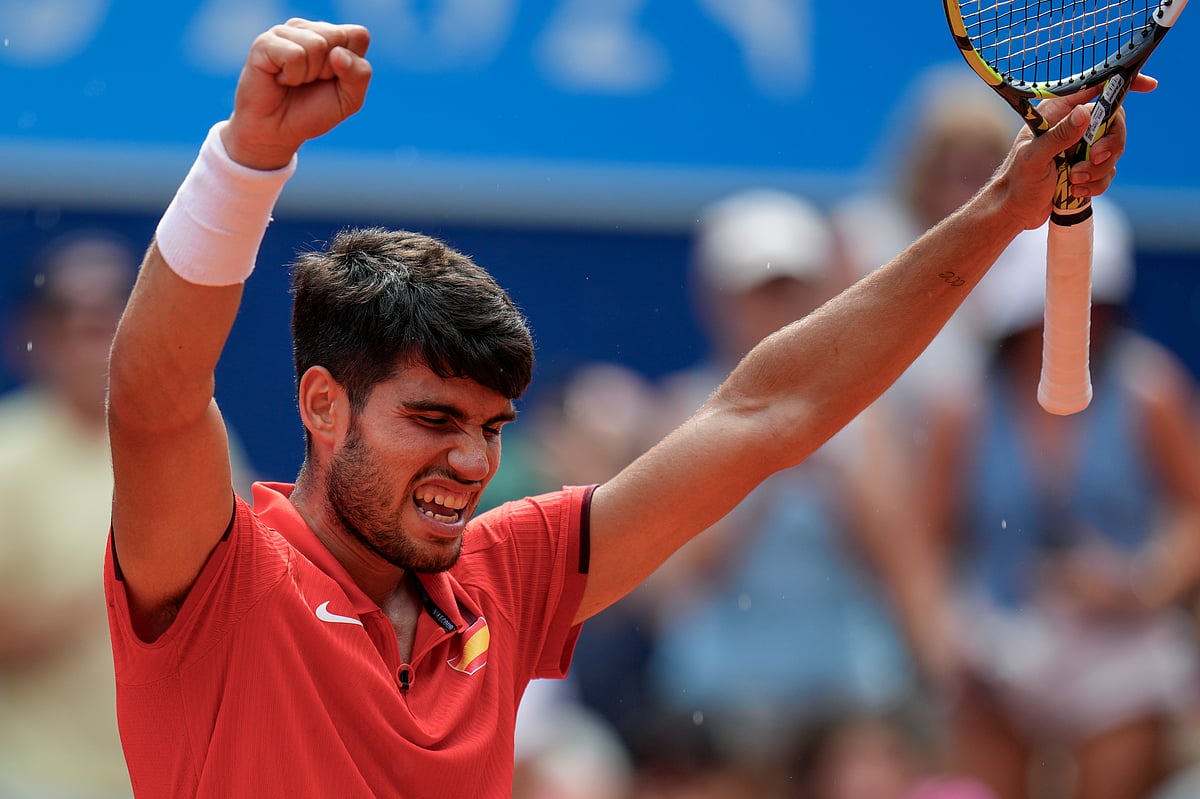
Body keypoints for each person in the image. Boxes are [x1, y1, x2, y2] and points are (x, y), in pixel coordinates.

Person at [102, 18, 1141, 798]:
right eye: (433, 419)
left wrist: (1006, 206)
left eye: (491, 428)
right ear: (323, 406)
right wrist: (244, 163)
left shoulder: (501, 579)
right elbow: (154, 399)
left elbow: (769, 409)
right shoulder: (221, 576)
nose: (472, 462)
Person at [637, 189, 940, 768]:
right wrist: (761, 467)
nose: (777, 310)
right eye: (759, 292)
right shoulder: (678, 412)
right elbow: (667, 582)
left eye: (792, 290)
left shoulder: (869, 419)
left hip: (850, 690)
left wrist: (836, 472)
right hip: (719, 694)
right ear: (718, 301)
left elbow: (903, 564)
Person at [920, 200, 1200, 799]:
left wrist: (1145, 582)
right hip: (997, 645)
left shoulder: (1150, 390)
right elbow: (928, 540)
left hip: (1121, 647)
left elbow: (1194, 512)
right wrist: (942, 635)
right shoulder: (963, 407)